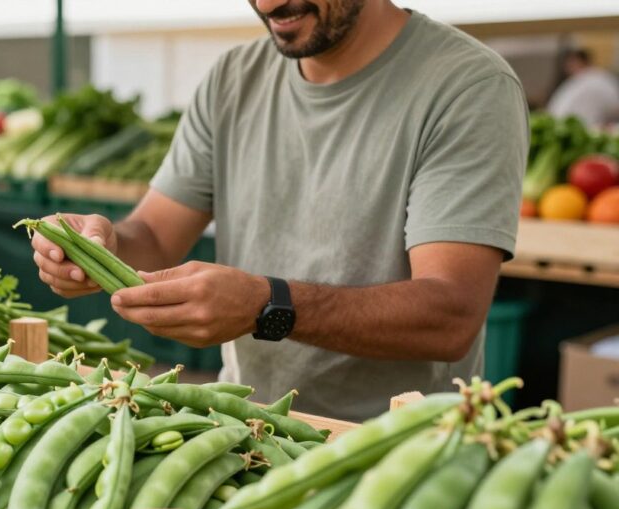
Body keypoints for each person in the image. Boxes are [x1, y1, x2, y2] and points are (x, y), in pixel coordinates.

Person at [30, 0, 528, 421]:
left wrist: (268, 305)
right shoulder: (232, 79)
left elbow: (449, 315)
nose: (268, 4)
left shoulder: (468, 86)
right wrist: (95, 246)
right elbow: (154, 237)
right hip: (243, 428)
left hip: (400, 448)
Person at [547, 48, 619, 128]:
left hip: (585, 129)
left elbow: (615, 105)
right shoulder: (577, 80)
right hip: (569, 127)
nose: (568, 68)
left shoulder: (598, 78)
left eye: (573, 63)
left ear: (584, 62)